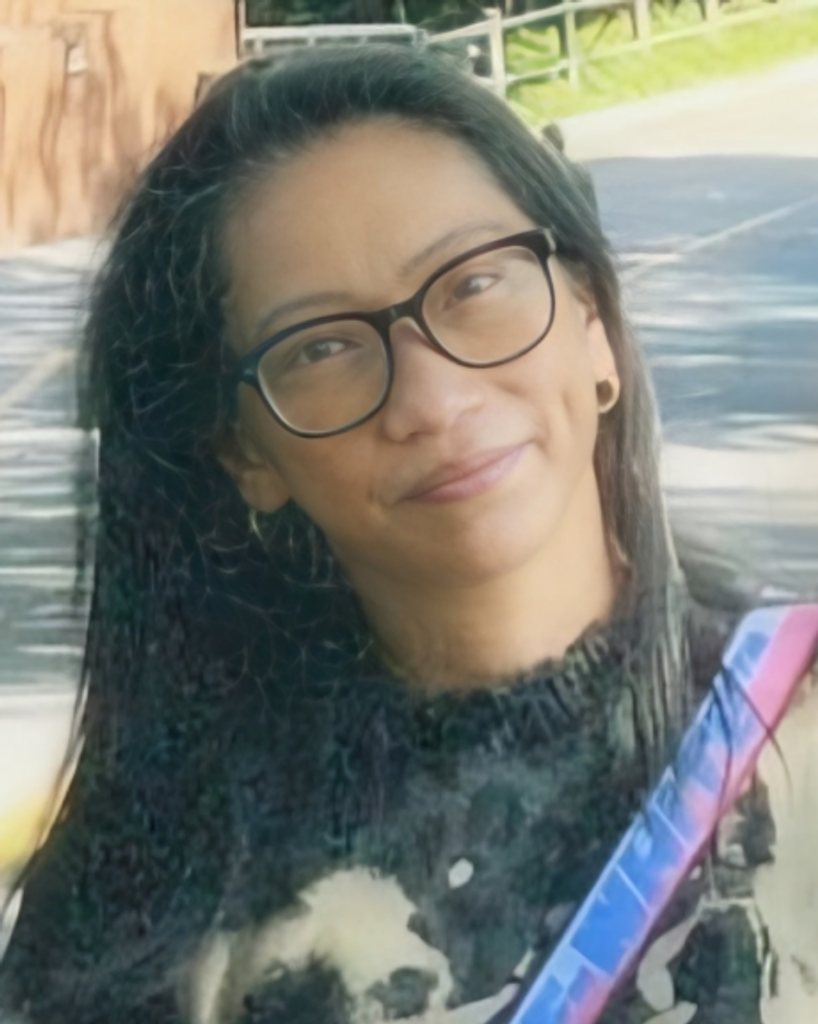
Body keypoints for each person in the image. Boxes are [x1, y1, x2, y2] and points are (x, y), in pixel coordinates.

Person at [0, 44, 816, 1024]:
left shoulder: (797, 731)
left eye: (472, 284)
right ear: (245, 453)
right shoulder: (151, 895)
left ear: (592, 322)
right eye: (323, 347)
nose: (431, 398)